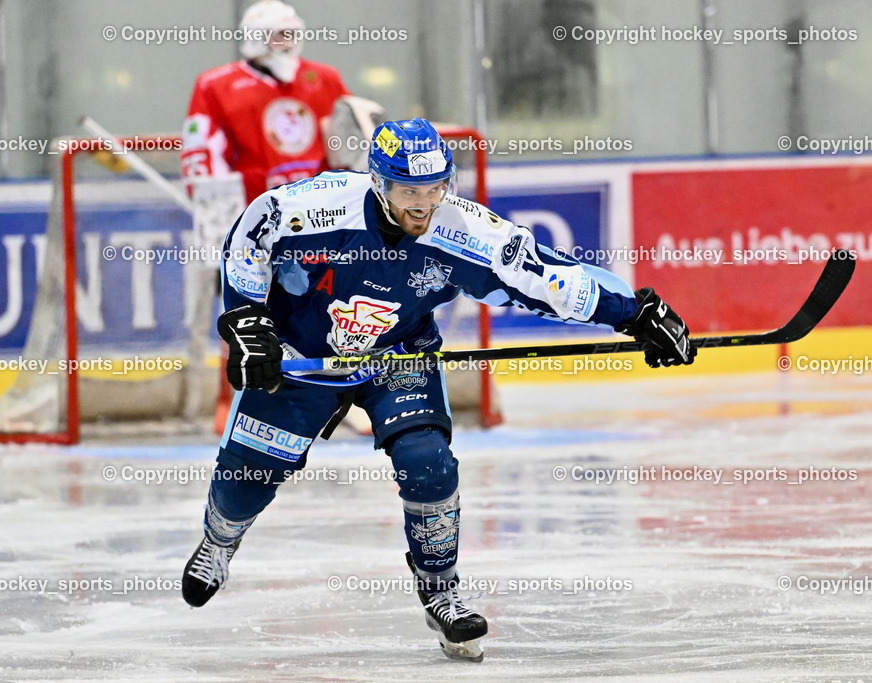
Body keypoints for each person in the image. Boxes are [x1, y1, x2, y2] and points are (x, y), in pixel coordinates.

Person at [181, 118, 696, 661]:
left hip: (398, 357)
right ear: (378, 182)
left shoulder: (462, 229)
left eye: (434, 189)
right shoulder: (318, 206)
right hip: (301, 357)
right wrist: (246, 320)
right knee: (247, 477)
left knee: (427, 462)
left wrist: (633, 313)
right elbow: (250, 235)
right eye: (409, 192)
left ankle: (441, 591)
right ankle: (219, 541)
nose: (424, 205)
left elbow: (543, 275)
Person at [179, 0, 350, 204]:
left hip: (322, 207)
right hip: (255, 209)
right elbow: (200, 150)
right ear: (256, 38)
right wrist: (216, 205)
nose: (288, 43)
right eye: (279, 36)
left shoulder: (326, 78)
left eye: (292, 35)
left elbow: (354, 140)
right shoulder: (215, 85)